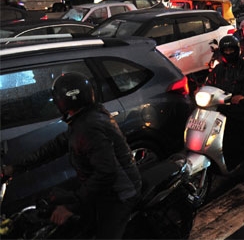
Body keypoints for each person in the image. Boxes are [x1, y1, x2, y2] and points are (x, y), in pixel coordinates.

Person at [2, 72, 142, 239]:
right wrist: (12, 168)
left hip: (120, 194)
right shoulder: (84, 118)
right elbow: (52, 148)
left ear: (65, 101)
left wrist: (72, 206)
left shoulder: (90, 127)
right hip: (102, 188)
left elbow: (107, 173)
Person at [206, 35, 244, 171]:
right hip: (223, 107)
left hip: (243, 107)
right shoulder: (218, 69)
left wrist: (243, 95)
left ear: (237, 50)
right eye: (225, 51)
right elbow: (209, 83)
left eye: (231, 50)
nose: (228, 53)